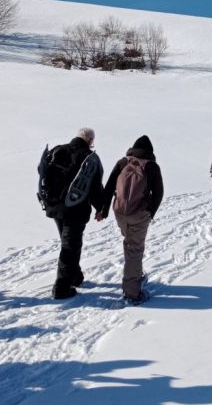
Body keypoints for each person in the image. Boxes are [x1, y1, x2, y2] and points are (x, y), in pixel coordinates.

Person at [96, 135, 164, 304]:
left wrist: (103, 211)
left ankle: (135, 276)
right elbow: (158, 193)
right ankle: (132, 293)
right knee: (134, 249)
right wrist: (150, 213)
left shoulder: (122, 162)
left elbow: (110, 186)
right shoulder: (152, 166)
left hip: (119, 212)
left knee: (130, 242)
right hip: (139, 214)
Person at [48, 128, 103, 299]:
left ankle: (75, 277)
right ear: (90, 140)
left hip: (55, 207)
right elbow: (95, 186)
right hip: (75, 208)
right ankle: (61, 288)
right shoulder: (88, 157)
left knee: (69, 243)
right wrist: (101, 208)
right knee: (70, 246)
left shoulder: (57, 150)